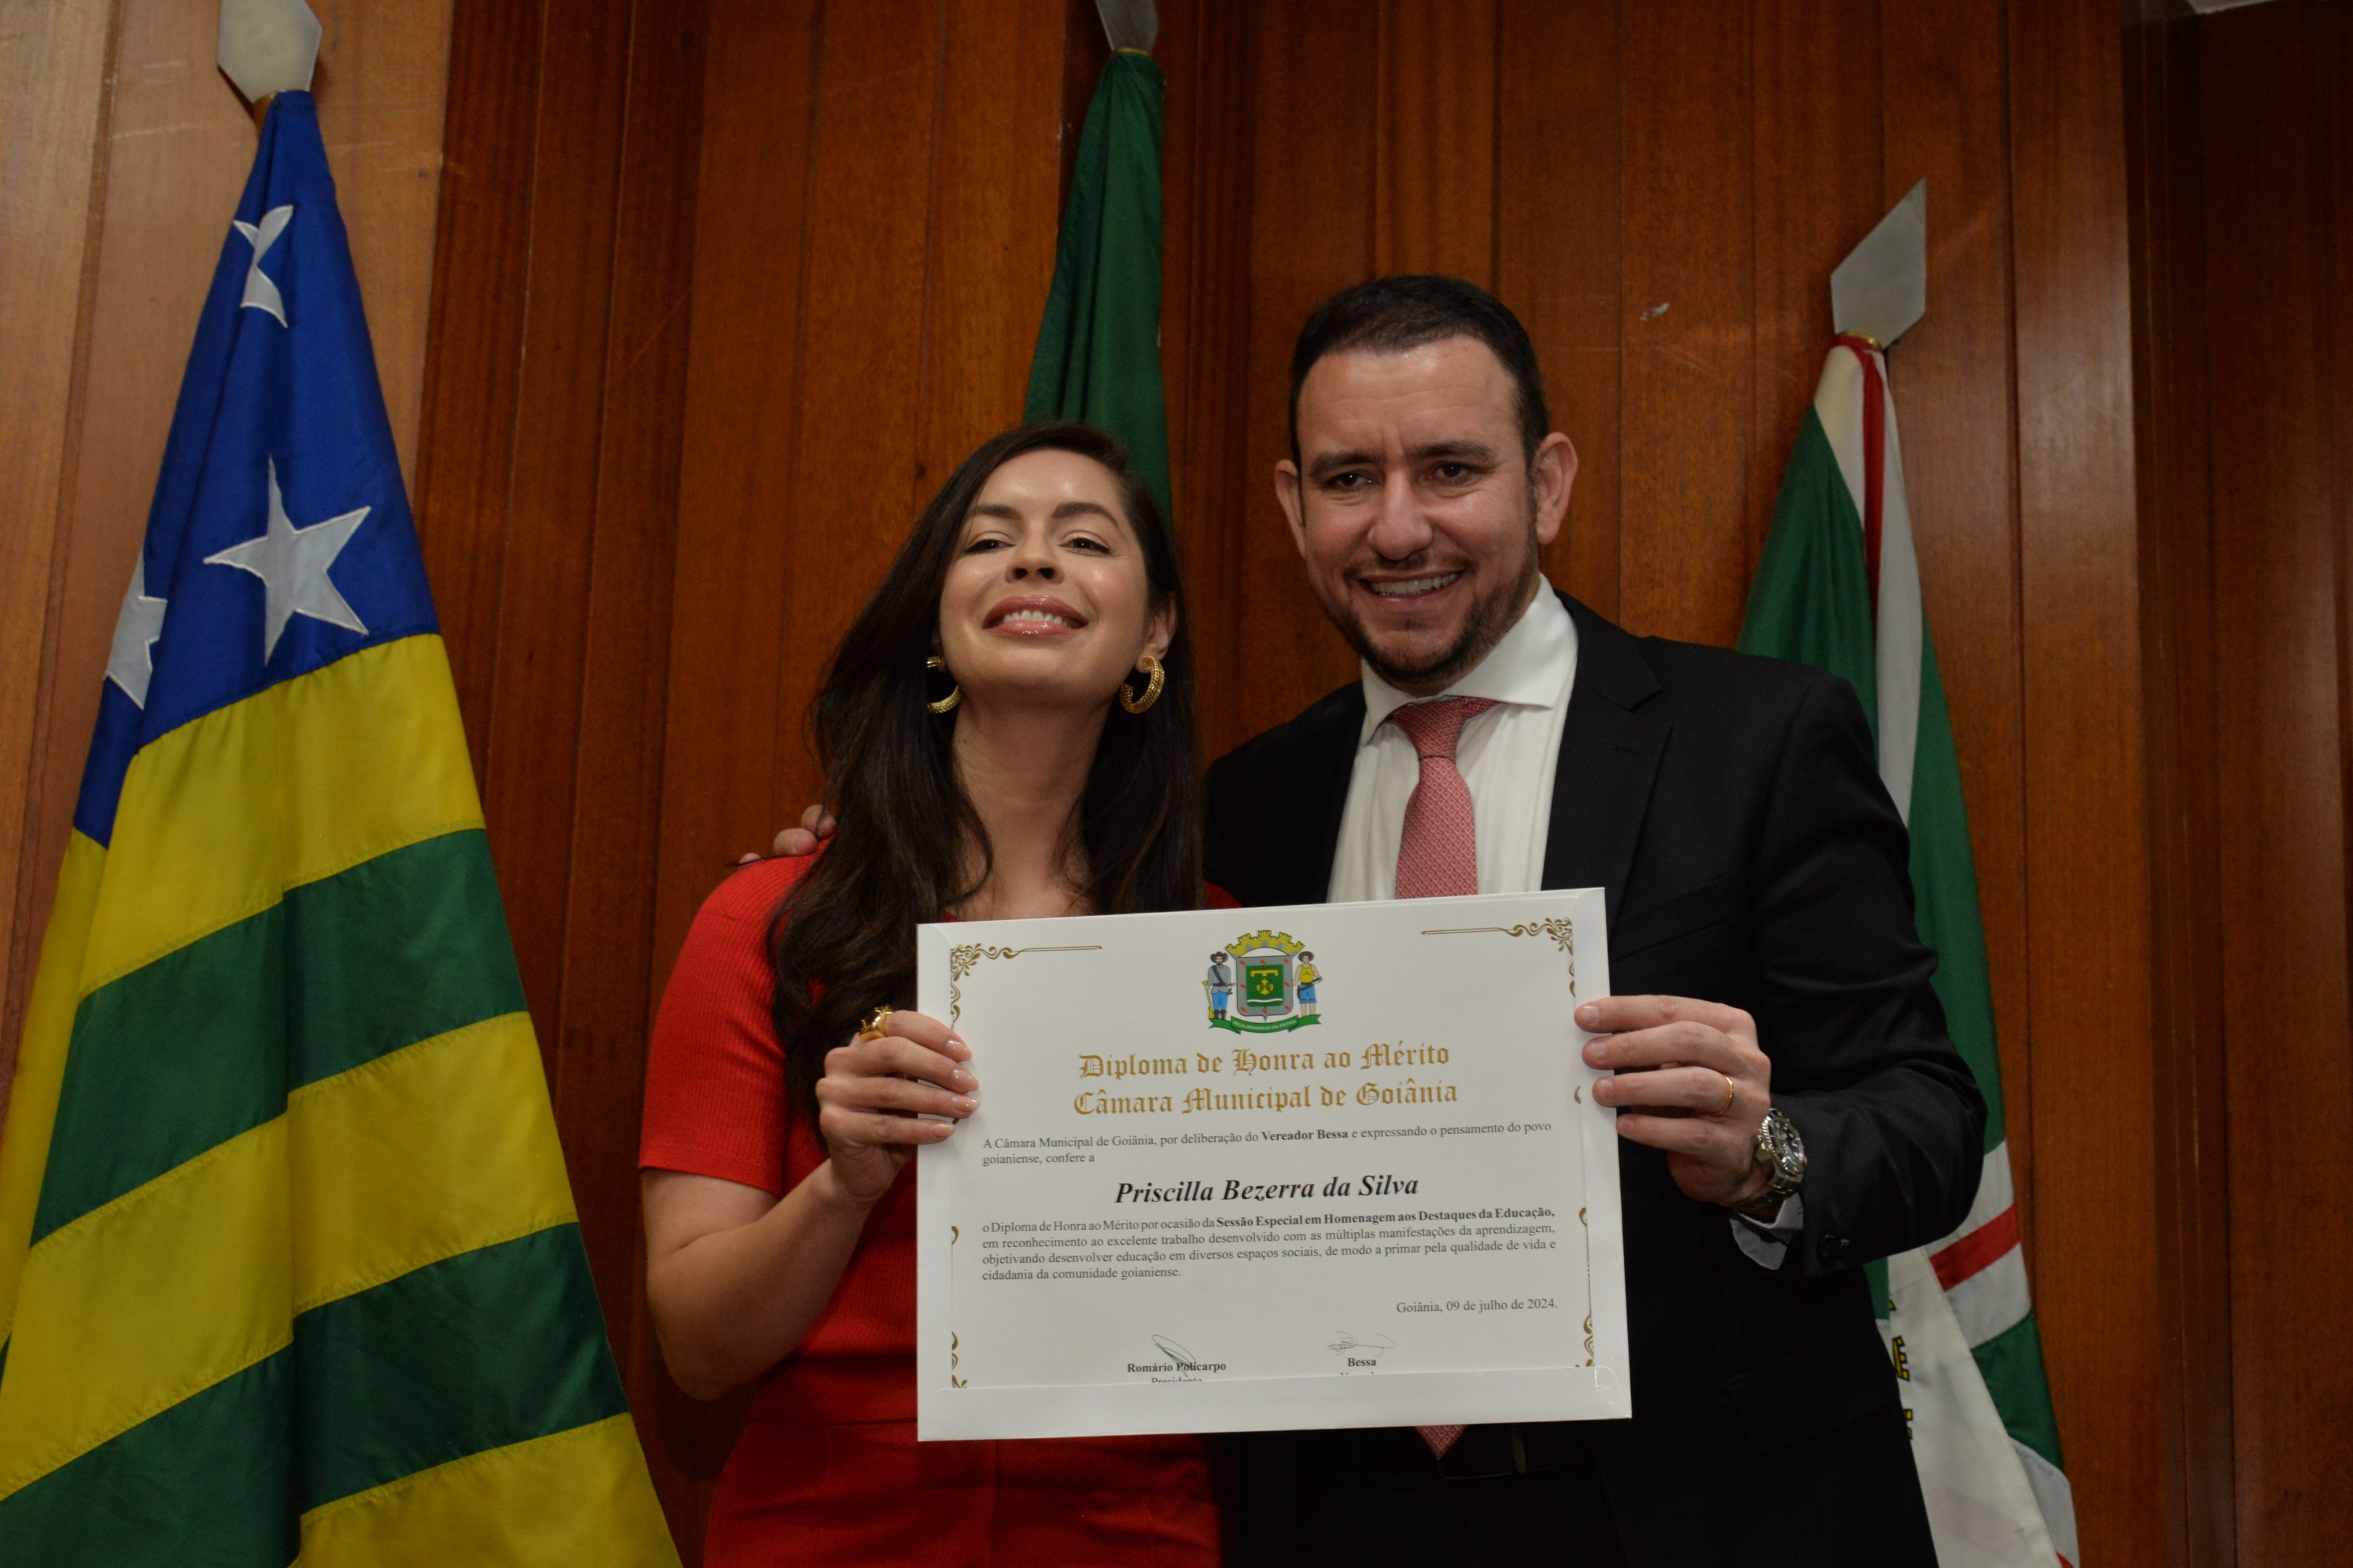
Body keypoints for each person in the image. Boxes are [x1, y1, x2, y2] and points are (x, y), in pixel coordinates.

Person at [773, 277, 1985, 1566]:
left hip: (1714, 1511)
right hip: (1346, 1518)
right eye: (1351, 479)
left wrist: (1767, 1154)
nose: (1399, 527)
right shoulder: (1242, 809)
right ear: (1295, 507)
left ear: (1547, 484)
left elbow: (1928, 1115)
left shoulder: (1758, 741)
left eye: (1451, 469)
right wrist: (859, 861)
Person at [639, 423, 1221, 1567]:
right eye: (989, 540)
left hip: (1130, 1525)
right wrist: (842, 1187)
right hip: (830, 1524)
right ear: (935, 622)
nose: (1034, 559)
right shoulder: (767, 921)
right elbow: (695, 1351)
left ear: (1154, 629)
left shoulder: (1220, 955)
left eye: (1085, 540)